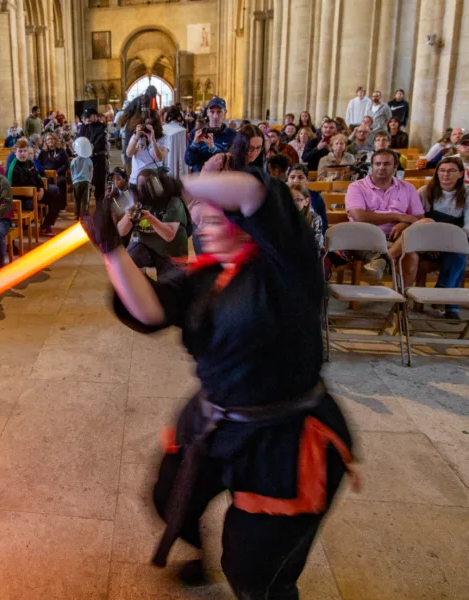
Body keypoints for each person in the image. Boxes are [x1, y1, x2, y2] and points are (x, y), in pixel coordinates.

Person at [83, 170, 353, 600]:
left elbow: (255, 190)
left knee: (253, 563)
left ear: (246, 223)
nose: (202, 222)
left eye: (213, 215)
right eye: (198, 216)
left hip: (282, 435)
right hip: (215, 417)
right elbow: (151, 311)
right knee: (171, 496)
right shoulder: (203, 276)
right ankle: (198, 555)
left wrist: (179, 184)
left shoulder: (287, 264)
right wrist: (112, 252)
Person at [345, 149, 429, 286]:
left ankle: (386, 261)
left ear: (395, 167)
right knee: (410, 254)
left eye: (386, 164)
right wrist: (399, 216)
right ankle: (401, 301)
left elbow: (418, 217)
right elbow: (360, 217)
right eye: (377, 164)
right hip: (366, 236)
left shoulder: (407, 188)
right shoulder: (357, 187)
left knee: (426, 225)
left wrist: (405, 224)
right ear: (372, 166)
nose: (381, 167)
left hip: (398, 237)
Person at [417, 157, 469, 319]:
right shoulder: (425, 192)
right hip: (427, 244)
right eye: (442, 170)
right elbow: (416, 221)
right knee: (460, 256)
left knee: (459, 253)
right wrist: (431, 244)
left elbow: (468, 226)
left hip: (455, 241)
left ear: (461, 174)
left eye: (451, 171)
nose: (446, 174)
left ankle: (442, 291)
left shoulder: (467, 194)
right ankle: (451, 306)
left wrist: (447, 243)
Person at [116, 169, 189, 277]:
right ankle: (143, 284)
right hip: (147, 247)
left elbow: (169, 235)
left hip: (172, 252)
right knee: (126, 262)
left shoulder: (173, 202)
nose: (144, 191)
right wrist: (128, 216)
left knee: (171, 287)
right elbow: (121, 232)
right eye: (141, 187)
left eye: (147, 186)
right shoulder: (137, 200)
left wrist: (150, 218)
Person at [8, 140, 62, 236]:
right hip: (22, 199)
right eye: (20, 151)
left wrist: (41, 189)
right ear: (15, 152)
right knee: (32, 205)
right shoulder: (13, 168)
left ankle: (46, 224)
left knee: (56, 192)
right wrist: (33, 194)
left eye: (25, 151)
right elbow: (12, 190)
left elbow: (38, 178)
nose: (23, 154)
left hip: (35, 193)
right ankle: (26, 225)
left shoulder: (29, 163)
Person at [185, 96, 238, 173]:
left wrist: (213, 149)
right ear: (207, 113)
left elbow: (233, 163)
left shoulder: (233, 135)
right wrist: (194, 144)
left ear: (225, 112)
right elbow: (189, 162)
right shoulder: (195, 133)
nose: (215, 116)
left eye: (219, 112)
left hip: (222, 180)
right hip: (200, 180)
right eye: (212, 112)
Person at [126, 109, 169, 184]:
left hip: (155, 180)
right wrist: (137, 136)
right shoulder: (137, 136)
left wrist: (153, 140)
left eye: (151, 125)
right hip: (136, 179)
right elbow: (129, 154)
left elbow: (160, 158)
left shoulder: (164, 137)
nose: (148, 128)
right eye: (146, 124)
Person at [79, 107, 109, 205]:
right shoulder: (84, 127)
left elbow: (100, 140)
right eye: (86, 117)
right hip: (86, 159)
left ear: (96, 116)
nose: (88, 119)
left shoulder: (102, 126)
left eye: (90, 116)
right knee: (86, 183)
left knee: (100, 183)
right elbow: (80, 140)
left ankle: (99, 207)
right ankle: (84, 207)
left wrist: (92, 147)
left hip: (98, 158)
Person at [288, 164, 329, 236]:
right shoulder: (281, 196)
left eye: (300, 178)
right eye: (292, 177)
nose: (296, 180)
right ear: (287, 180)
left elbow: (323, 223)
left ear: (307, 180)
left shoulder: (316, 196)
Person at [290, 183, 325, 253]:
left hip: (308, 256)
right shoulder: (283, 217)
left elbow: (317, 245)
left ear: (306, 201)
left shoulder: (314, 219)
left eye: (298, 199)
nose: (293, 203)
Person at [71, 137, 93, 220]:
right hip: (86, 181)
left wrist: (73, 181)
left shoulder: (73, 161)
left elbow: (72, 172)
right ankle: (84, 215)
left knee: (76, 199)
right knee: (85, 199)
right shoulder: (89, 160)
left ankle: (76, 215)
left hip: (76, 182)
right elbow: (91, 172)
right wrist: (90, 182)